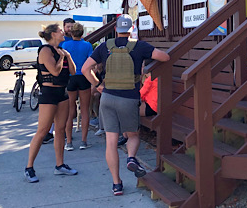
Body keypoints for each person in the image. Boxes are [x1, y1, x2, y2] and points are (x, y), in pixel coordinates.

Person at [82, 14, 170, 196]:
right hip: (129, 98)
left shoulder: (104, 47)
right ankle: (131, 158)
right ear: (132, 29)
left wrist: (98, 85)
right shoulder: (139, 46)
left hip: (107, 98)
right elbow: (165, 57)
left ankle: (116, 184)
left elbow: (84, 69)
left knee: (111, 142)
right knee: (133, 135)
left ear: (115, 30)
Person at [24, 24, 78, 183]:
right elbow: (54, 71)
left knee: (60, 129)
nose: (64, 33)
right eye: (61, 31)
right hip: (48, 93)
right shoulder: (45, 51)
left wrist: (68, 56)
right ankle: (29, 167)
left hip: (62, 92)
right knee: (43, 130)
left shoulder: (61, 51)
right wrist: (62, 57)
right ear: (53, 34)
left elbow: (74, 71)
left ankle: (60, 165)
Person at [62, 22, 94, 151]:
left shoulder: (65, 45)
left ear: (71, 33)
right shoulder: (87, 45)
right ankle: (83, 141)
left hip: (70, 77)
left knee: (70, 111)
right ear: (82, 33)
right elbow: (91, 62)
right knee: (85, 109)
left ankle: (69, 142)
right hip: (84, 77)